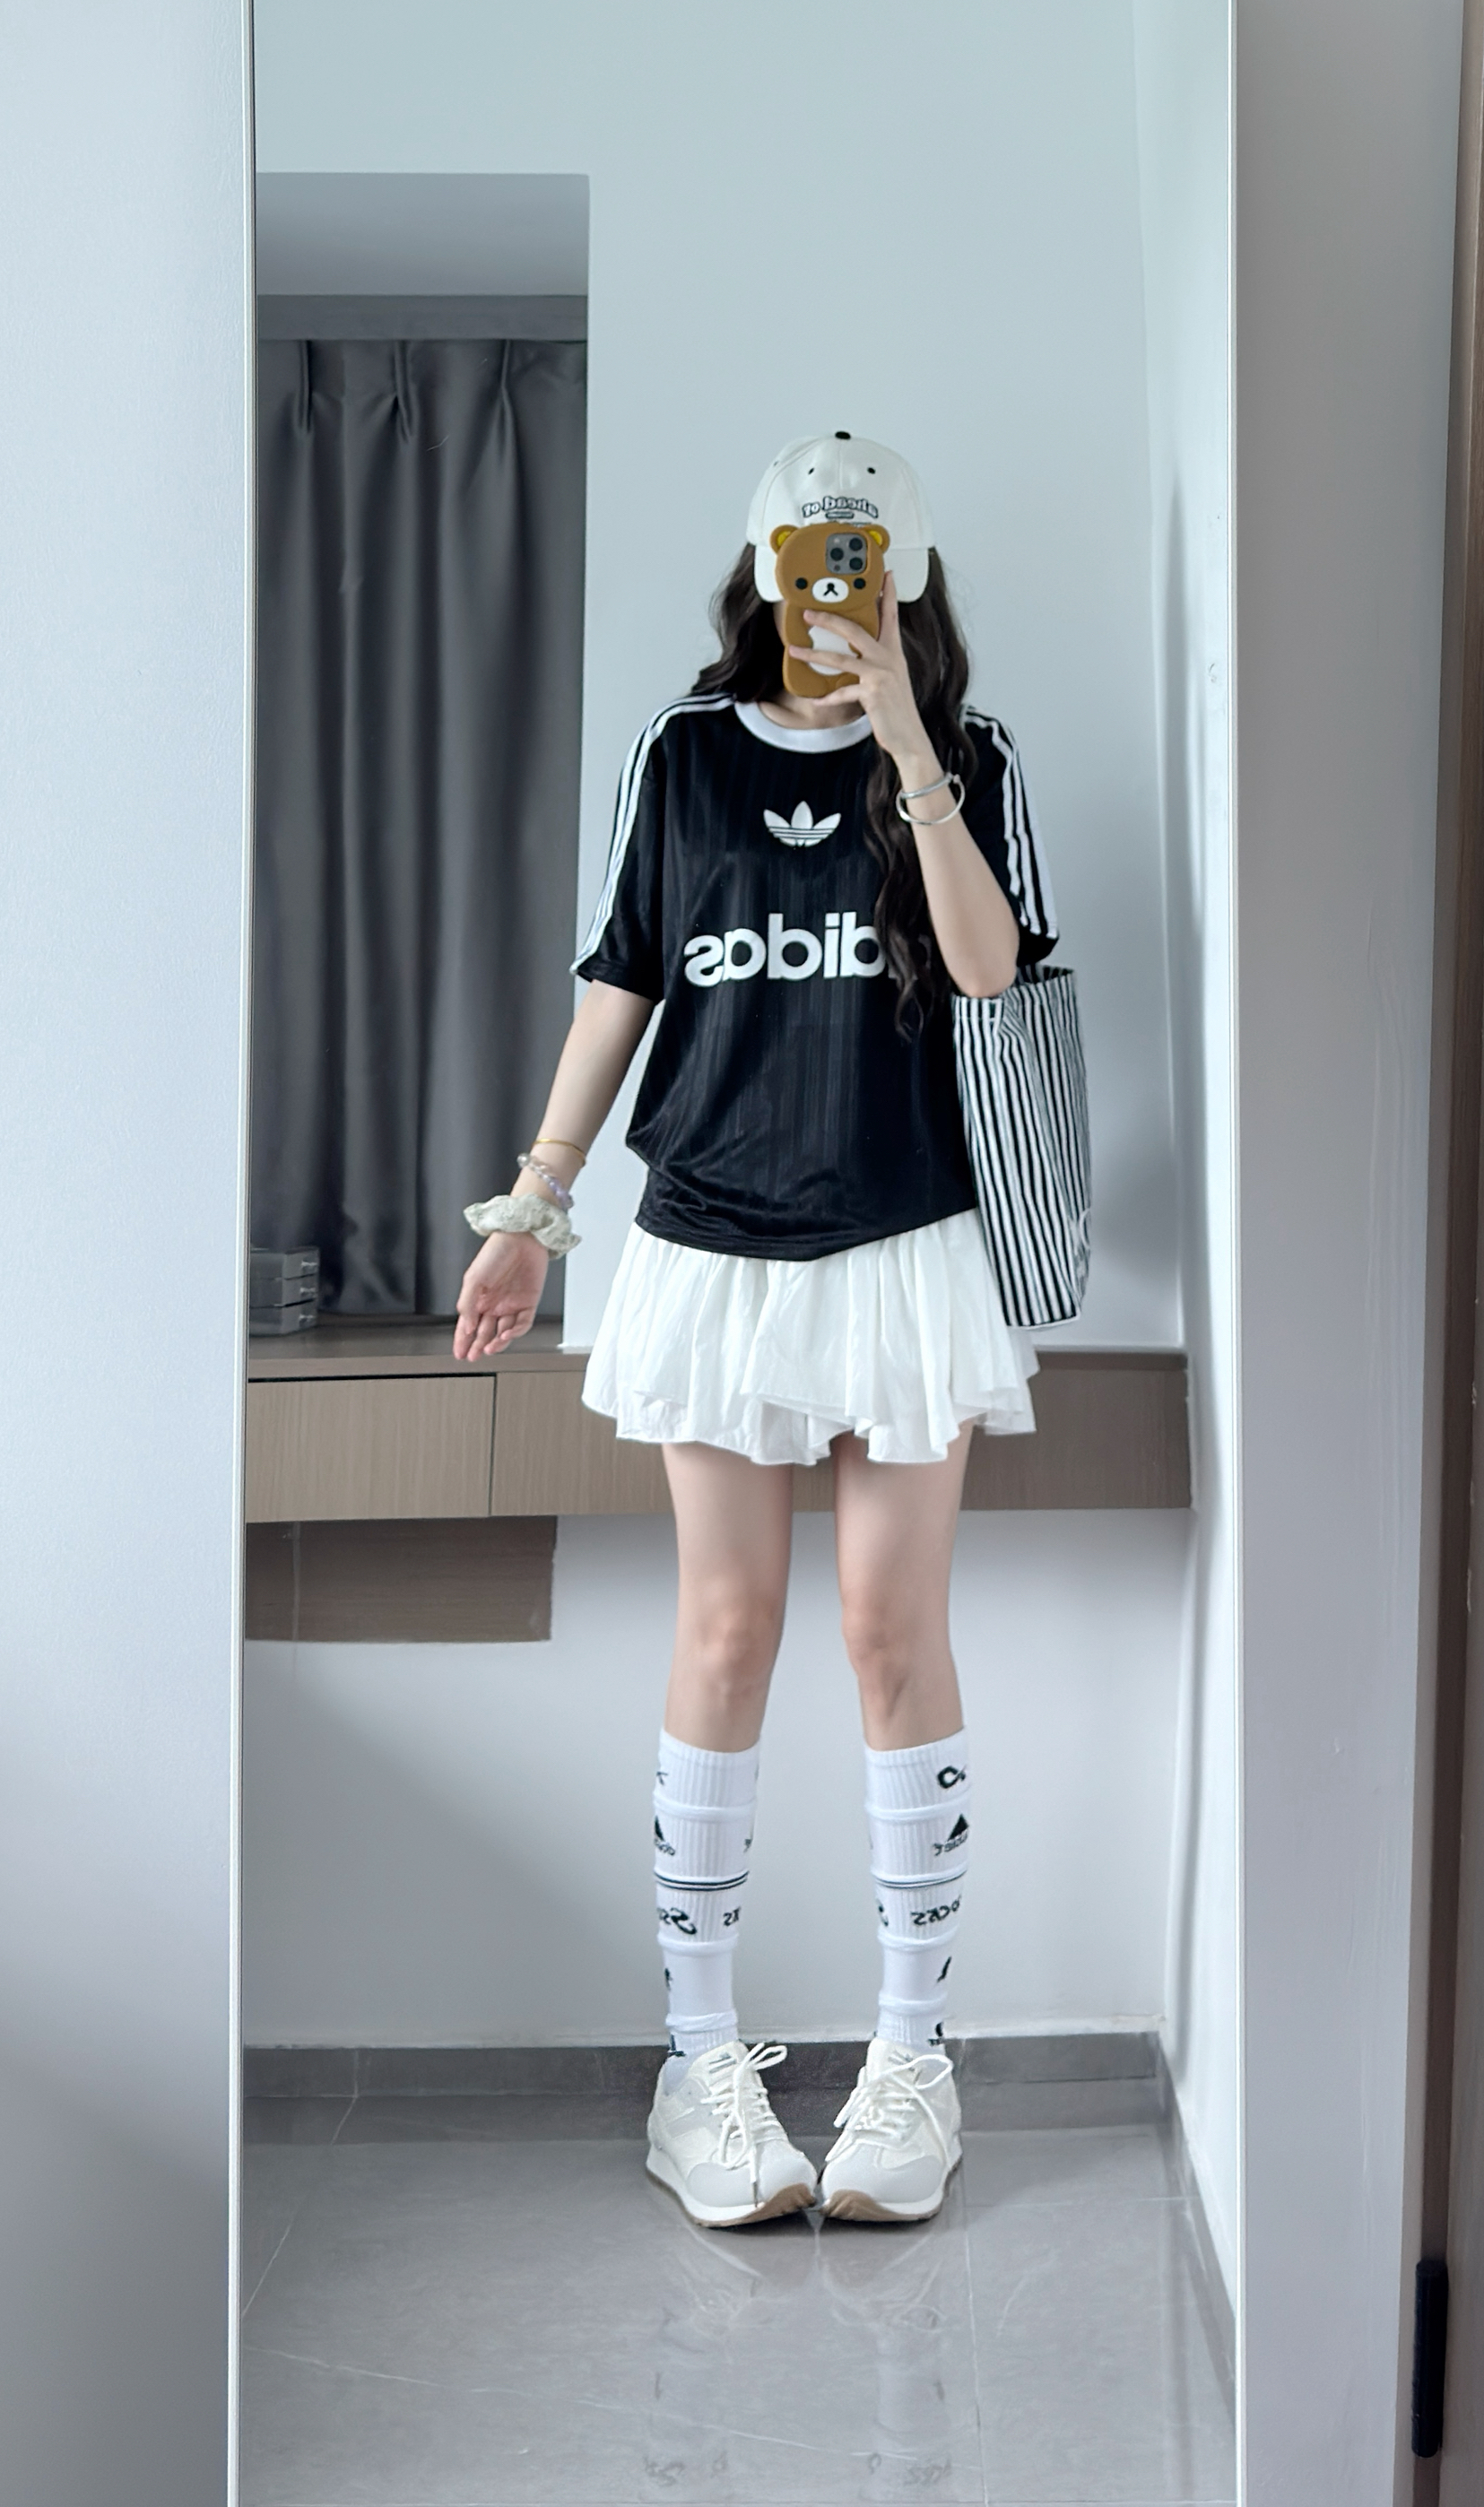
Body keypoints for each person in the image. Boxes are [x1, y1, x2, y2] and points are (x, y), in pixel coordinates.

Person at [454, 433, 1057, 2226]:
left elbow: (988, 971)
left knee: (888, 1631)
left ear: (903, 574)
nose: (829, 583)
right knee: (724, 1629)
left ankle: (910, 2060)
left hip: (903, 1239)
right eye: (806, 552)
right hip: (710, 1244)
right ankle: (698, 2061)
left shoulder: (969, 755)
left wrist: (907, 752)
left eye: (859, 555)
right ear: (761, 564)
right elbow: (620, 983)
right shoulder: (683, 752)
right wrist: (535, 1208)